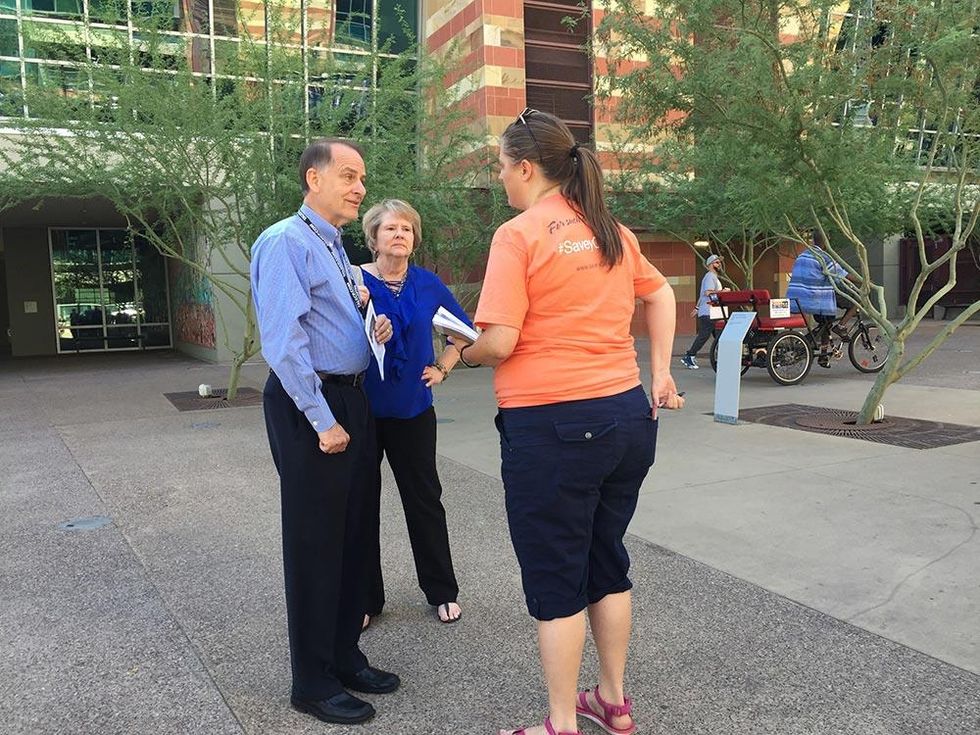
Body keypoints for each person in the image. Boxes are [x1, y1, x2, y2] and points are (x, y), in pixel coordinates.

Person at [459, 109, 684, 735]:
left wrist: (454, 349)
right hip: (626, 415)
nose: (501, 179)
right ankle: (612, 701)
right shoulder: (611, 229)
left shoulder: (519, 234)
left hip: (554, 425)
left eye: (502, 168)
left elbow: (499, 341)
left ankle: (561, 724)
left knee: (557, 573)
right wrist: (660, 372)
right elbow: (661, 293)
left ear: (527, 168)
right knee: (605, 561)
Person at [250, 138, 400, 726]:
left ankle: (343, 655)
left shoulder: (332, 246)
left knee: (354, 535)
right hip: (312, 405)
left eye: (362, 177)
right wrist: (322, 420)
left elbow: (328, 324)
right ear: (313, 178)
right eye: (347, 175)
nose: (359, 187)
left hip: (351, 398)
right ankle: (312, 681)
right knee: (316, 543)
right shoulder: (286, 241)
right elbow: (284, 343)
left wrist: (371, 330)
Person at [358, 198, 470, 627]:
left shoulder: (428, 284)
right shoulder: (355, 281)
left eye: (406, 228)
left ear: (415, 238)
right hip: (363, 408)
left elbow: (461, 335)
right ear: (373, 238)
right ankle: (366, 598)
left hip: (413, 409)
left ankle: (441, 590)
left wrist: (442, 367)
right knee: (361, 503)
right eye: (390, 228)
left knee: (425, 500)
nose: (399, 234)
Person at [785, 238, 857, 367]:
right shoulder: (823, 257)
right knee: (856, 302)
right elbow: (841, 275)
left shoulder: (802, 256)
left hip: (798, 298)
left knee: (825, 323)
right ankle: (841, 327)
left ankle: (823, 356)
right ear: (825, 242)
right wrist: (864, 282)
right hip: (815, 298)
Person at [680, 253, 725, 369]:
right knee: (705, 335)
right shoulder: (710, 276)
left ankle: (722, 358)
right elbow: (707, 292)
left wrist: (697, 308)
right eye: (716, 262)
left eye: (719, 262)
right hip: (709, 312)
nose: (719, 264)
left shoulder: (713, 277)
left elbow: (702, 295)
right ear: (710, 265)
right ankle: (689, 356)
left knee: (719, 336)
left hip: (712, 311)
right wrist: (723, 292)